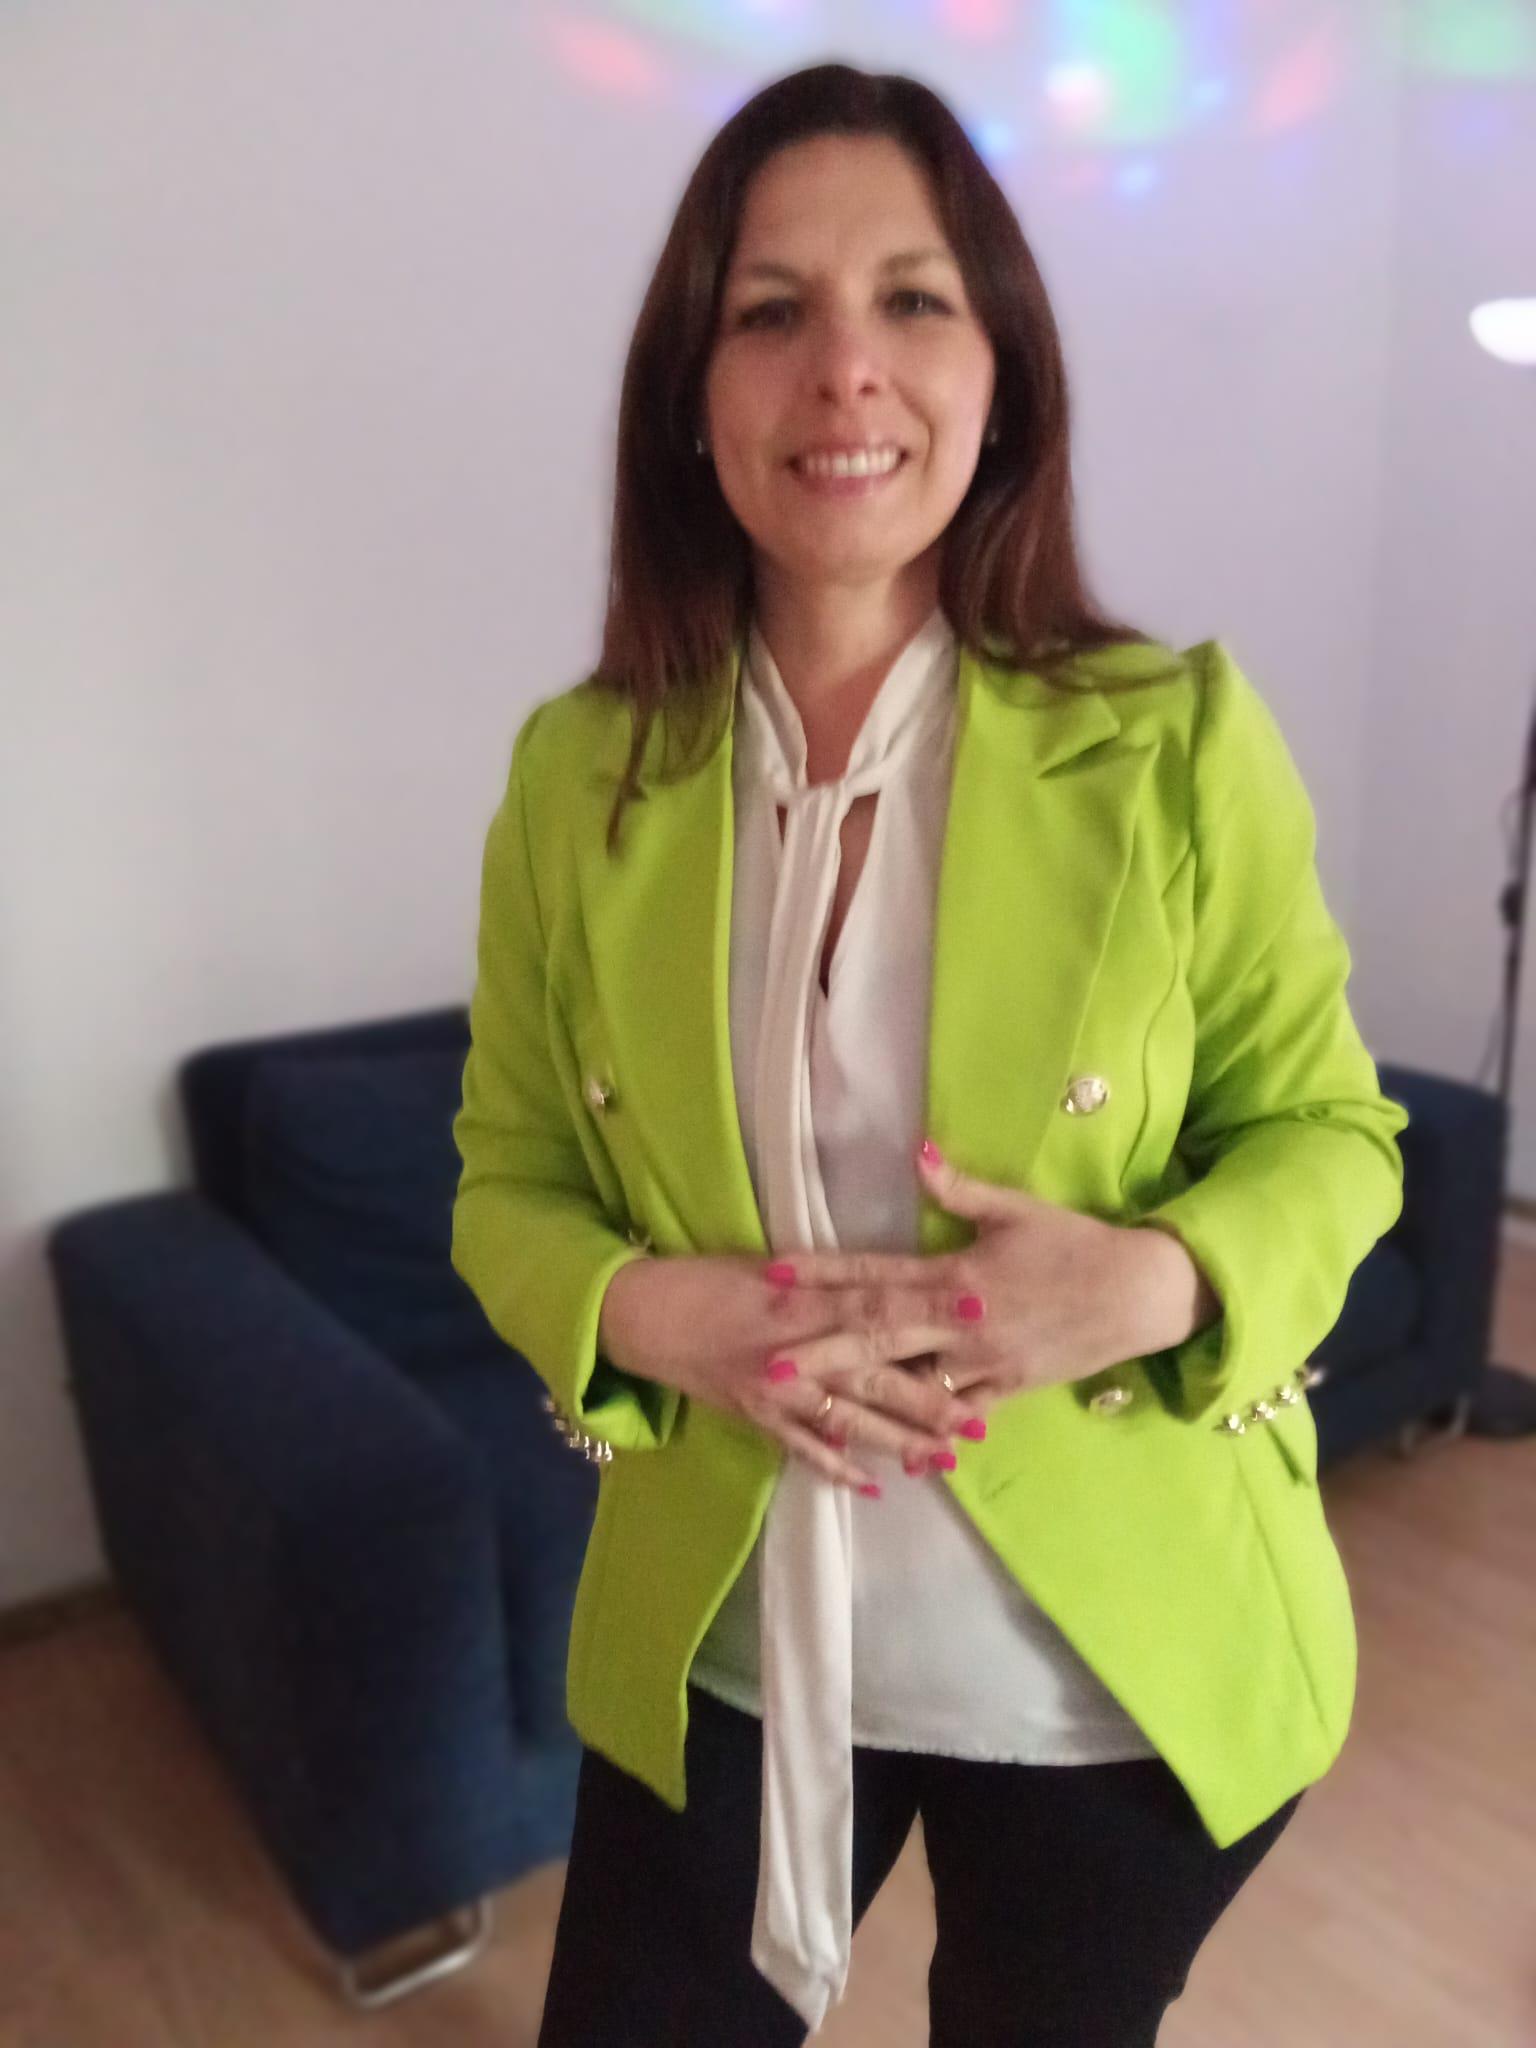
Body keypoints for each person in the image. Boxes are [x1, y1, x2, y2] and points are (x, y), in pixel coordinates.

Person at [451, 60, 1407, 2048]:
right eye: (771, 309)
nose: (846, 371)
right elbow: (507, 1179)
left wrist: (1150, 1282)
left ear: (1002, 371)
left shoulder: (1172, 739)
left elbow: (1332, 1134)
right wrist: (656, 1316)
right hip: (722, 1645)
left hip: (1103, 1682)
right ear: (692, 388)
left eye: (912, 299)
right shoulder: (577, 776)